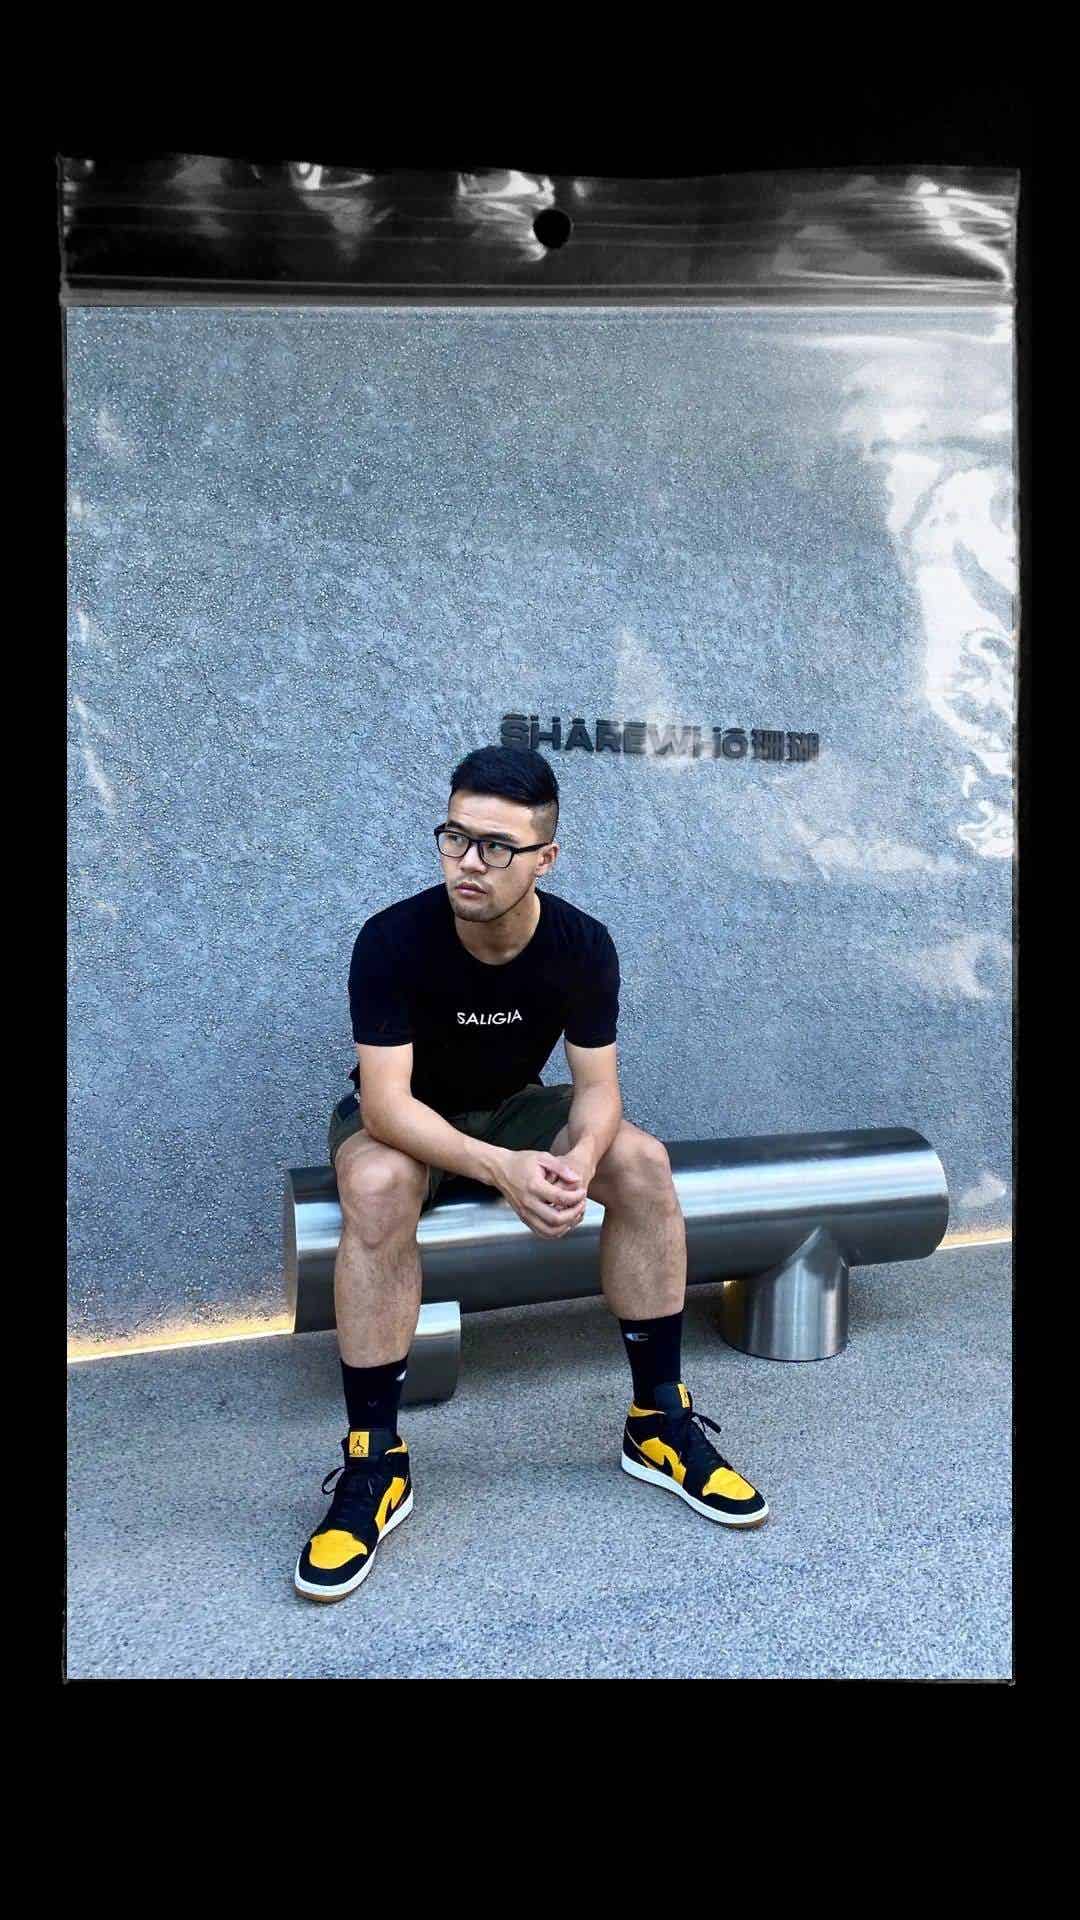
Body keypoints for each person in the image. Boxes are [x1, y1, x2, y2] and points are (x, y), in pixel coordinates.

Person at [294, 745, 768, 1602]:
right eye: (455, 837)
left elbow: (598, 1092)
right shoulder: (393, 938)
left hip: (516, 1107)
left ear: (545, 857)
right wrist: (501, 1170)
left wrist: (578, 1162)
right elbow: (387, 1105)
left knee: (642, 1163)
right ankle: (375, 1461)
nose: (469, 863)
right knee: (375, 1184)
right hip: (409, 1120)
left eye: (496, 846)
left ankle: (658, 1420)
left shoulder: (581, 944)